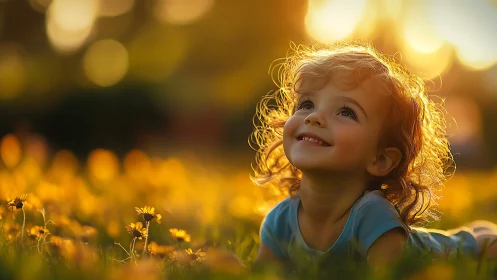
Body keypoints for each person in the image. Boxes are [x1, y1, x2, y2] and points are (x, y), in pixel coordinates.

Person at [249, 42, 497, 272]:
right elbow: (259, 276)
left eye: (346, 112)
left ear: (380, 160)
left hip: (456, 251)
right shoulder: (279, 221)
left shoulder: (373, 216)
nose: (314, 117)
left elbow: (387, 275)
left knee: (483, 242)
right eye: (306, 104)